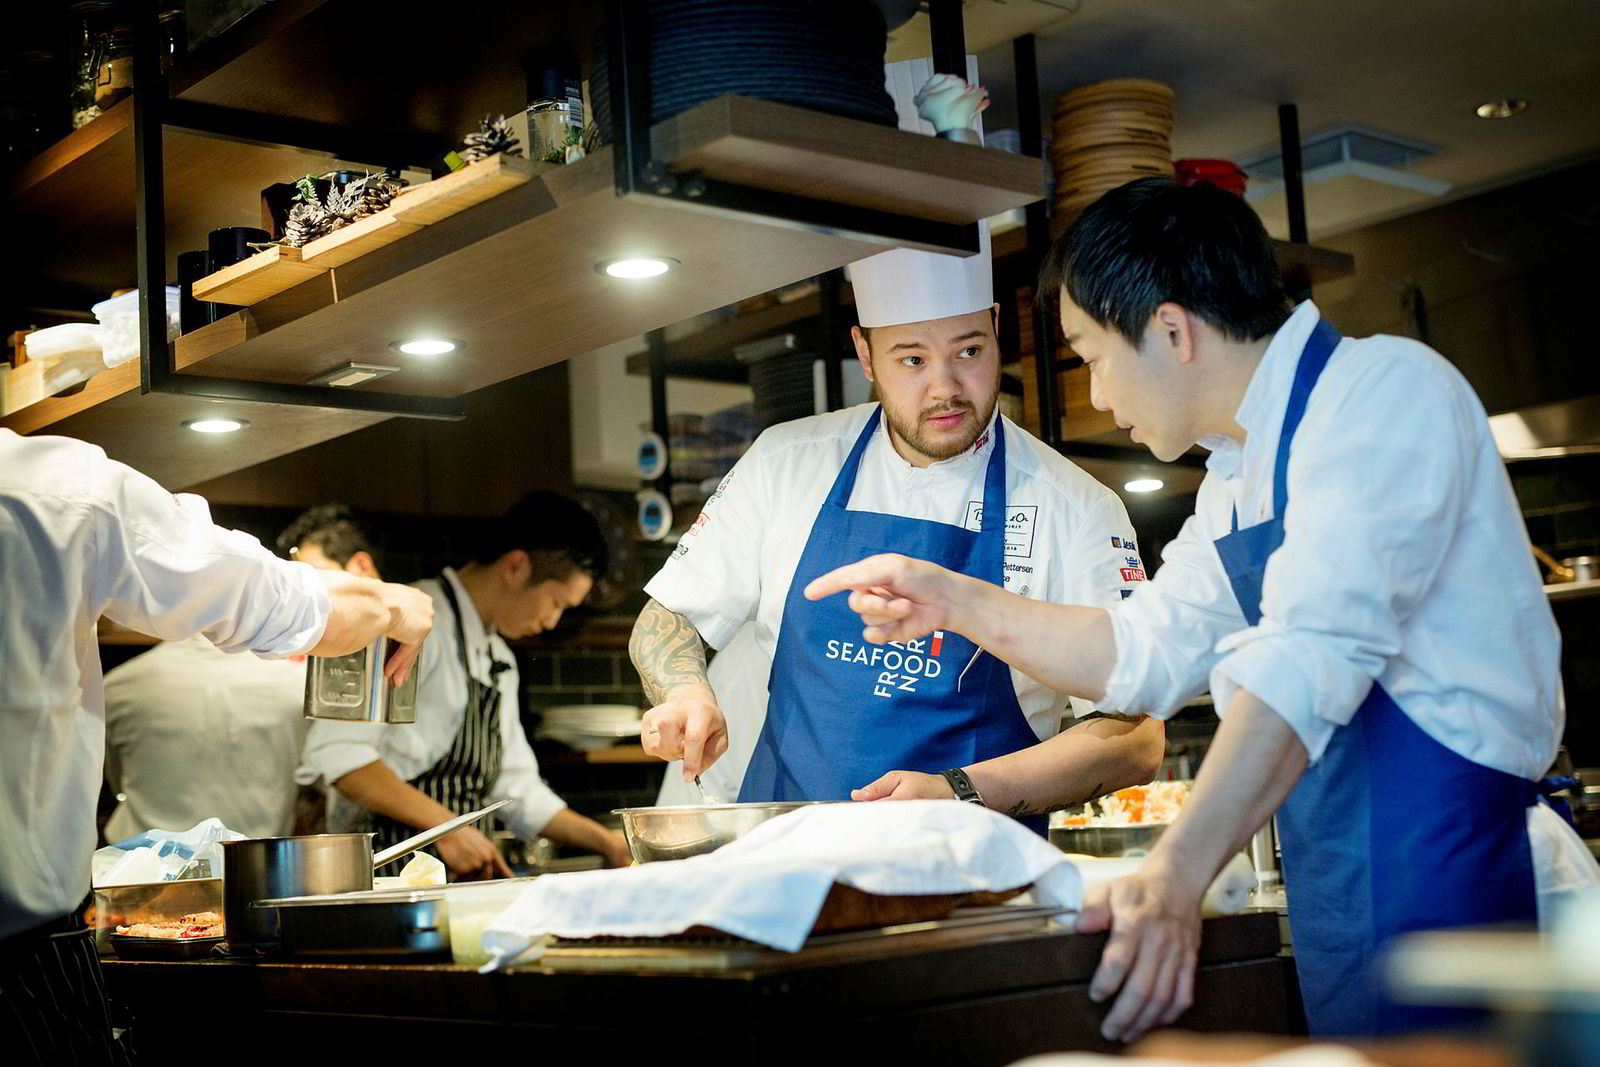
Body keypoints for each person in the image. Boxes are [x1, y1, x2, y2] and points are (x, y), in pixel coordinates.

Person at [805, 178, 1600, 1039]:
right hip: (1342, 872)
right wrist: (953, 599)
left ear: (1173, 330)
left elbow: (1308, 658)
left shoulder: (1383, 392)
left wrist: (1177, 872)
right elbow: (1138, 652)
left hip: (1457, 872)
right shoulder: (1237, 476)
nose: (1099, 394)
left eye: (1093, 357)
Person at [634, 222, 1166, 827]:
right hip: (790, 864)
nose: (944, 388)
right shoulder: (784, 462)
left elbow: (1137, 739)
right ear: (864, 353)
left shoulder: (1075, 508)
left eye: (969, 352)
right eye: (911, 359)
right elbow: (668, 615)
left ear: (996, 326)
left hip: (976, 876)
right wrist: (684, 692)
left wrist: (961, 791)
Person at [0, 429, 432, 1065]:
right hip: (22, 968)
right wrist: (393, 604)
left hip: (115, 916)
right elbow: (290, 604)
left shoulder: (127, 680)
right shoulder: (53, 488)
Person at [301, 491, 633, 877]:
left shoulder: (498, 658)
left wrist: (606, 841)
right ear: (516, 567)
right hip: (385, 880)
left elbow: (517, 787)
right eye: (556, 603)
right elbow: (340, 757)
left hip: (454, 886)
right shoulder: (402, 622)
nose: (551, 622)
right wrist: (446, 828)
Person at [100, 505, 383, 842]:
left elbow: (115, 781)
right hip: (252, 865)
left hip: (136, 871)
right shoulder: (298, 686)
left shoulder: (117, 686)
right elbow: (315, 780)